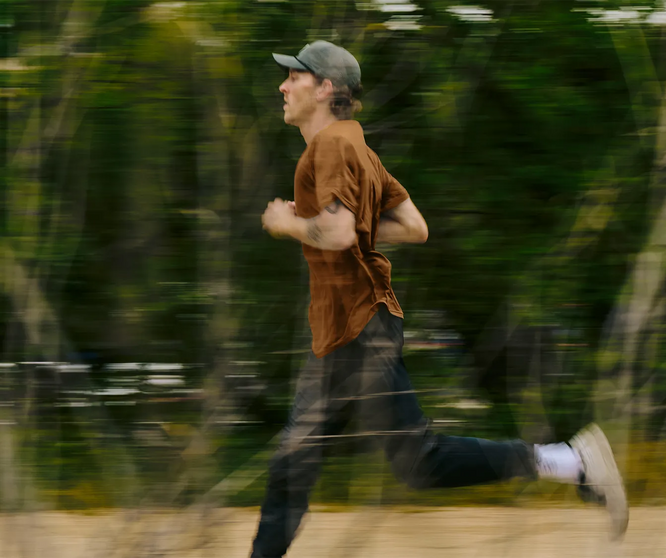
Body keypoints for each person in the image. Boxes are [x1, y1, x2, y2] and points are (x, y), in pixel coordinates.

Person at [251, 40, 628, 558]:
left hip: (357, 327)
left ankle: (572, 461)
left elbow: (338, 233)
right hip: (347, 329)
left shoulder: (332, 145)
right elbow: (414, 227)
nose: (283, 86)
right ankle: (570, 462)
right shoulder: (359, 149)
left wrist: (288, 222)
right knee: (301, 465)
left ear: (325, 88)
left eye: (294, 77)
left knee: (412, 462)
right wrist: (336, 224)